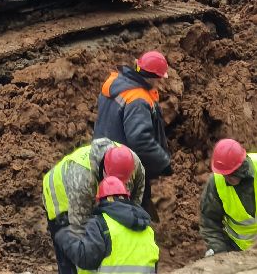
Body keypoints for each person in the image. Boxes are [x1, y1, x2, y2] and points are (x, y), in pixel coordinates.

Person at [43, 141, 145, 274]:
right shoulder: (83, 176)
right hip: (62, 200)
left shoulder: (136, 164)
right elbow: (79, 227)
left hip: (93, 191)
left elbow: (134, 209)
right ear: (104, 171)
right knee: (72, 258)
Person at [93, 51, 171, 209]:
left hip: (103, 154)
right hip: (123, 163)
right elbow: (140, 140)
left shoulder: (116, 83)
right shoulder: (138, 100)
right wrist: (162, 162)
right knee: (131, 206)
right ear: (154, 77)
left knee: (109, 203)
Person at [54, 176, 158, 273]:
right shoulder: (147, 228)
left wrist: (64, 235)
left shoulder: (100, 223)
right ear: (126, 197)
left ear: (100, 200)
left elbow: (87, 260)